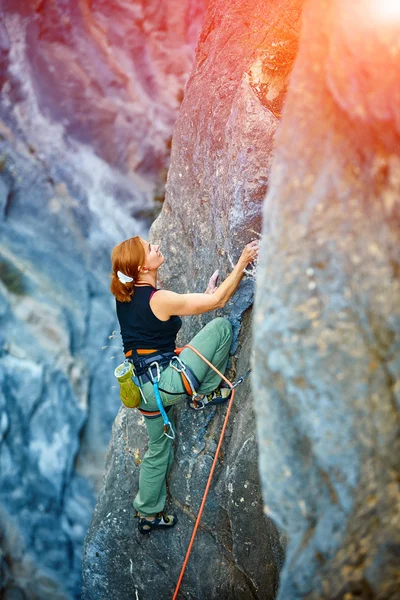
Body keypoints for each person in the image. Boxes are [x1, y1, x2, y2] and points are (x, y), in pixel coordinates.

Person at [110, 236, 259, 534]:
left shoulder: (126, 297)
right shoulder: (158, 298)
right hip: (164, 383)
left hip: (142, 390)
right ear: (141, 267)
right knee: (220, 328)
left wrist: (200, 297)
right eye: (148, 247)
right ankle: (205, 393)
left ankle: (148, 513)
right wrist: (243, 261)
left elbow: (154, 324)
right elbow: (218, 303)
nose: (155, 246)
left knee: (158, 448)